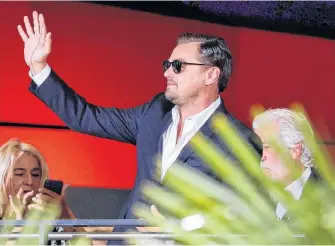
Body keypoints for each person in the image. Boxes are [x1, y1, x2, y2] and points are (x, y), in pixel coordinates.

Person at [17, 11, 262, 238]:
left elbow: (243, 218)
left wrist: (178, 228)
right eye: (167, 65)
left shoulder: (239, 141)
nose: (167, 73)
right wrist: (39, 68)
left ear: (211, 75)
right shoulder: (155, 112)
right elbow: (85, 117)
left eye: (178, 66)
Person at [0, 138, 86, 245]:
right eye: (19, 174)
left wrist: (65, 216)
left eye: (35, 175)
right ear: (2, 177)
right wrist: (20, 223)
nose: (30, 181)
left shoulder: (50, 222)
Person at [252, 108, 319, 220]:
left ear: (295, 150)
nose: (261, 155)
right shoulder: (256, 198)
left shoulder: (327, 197)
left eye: (267, 147)